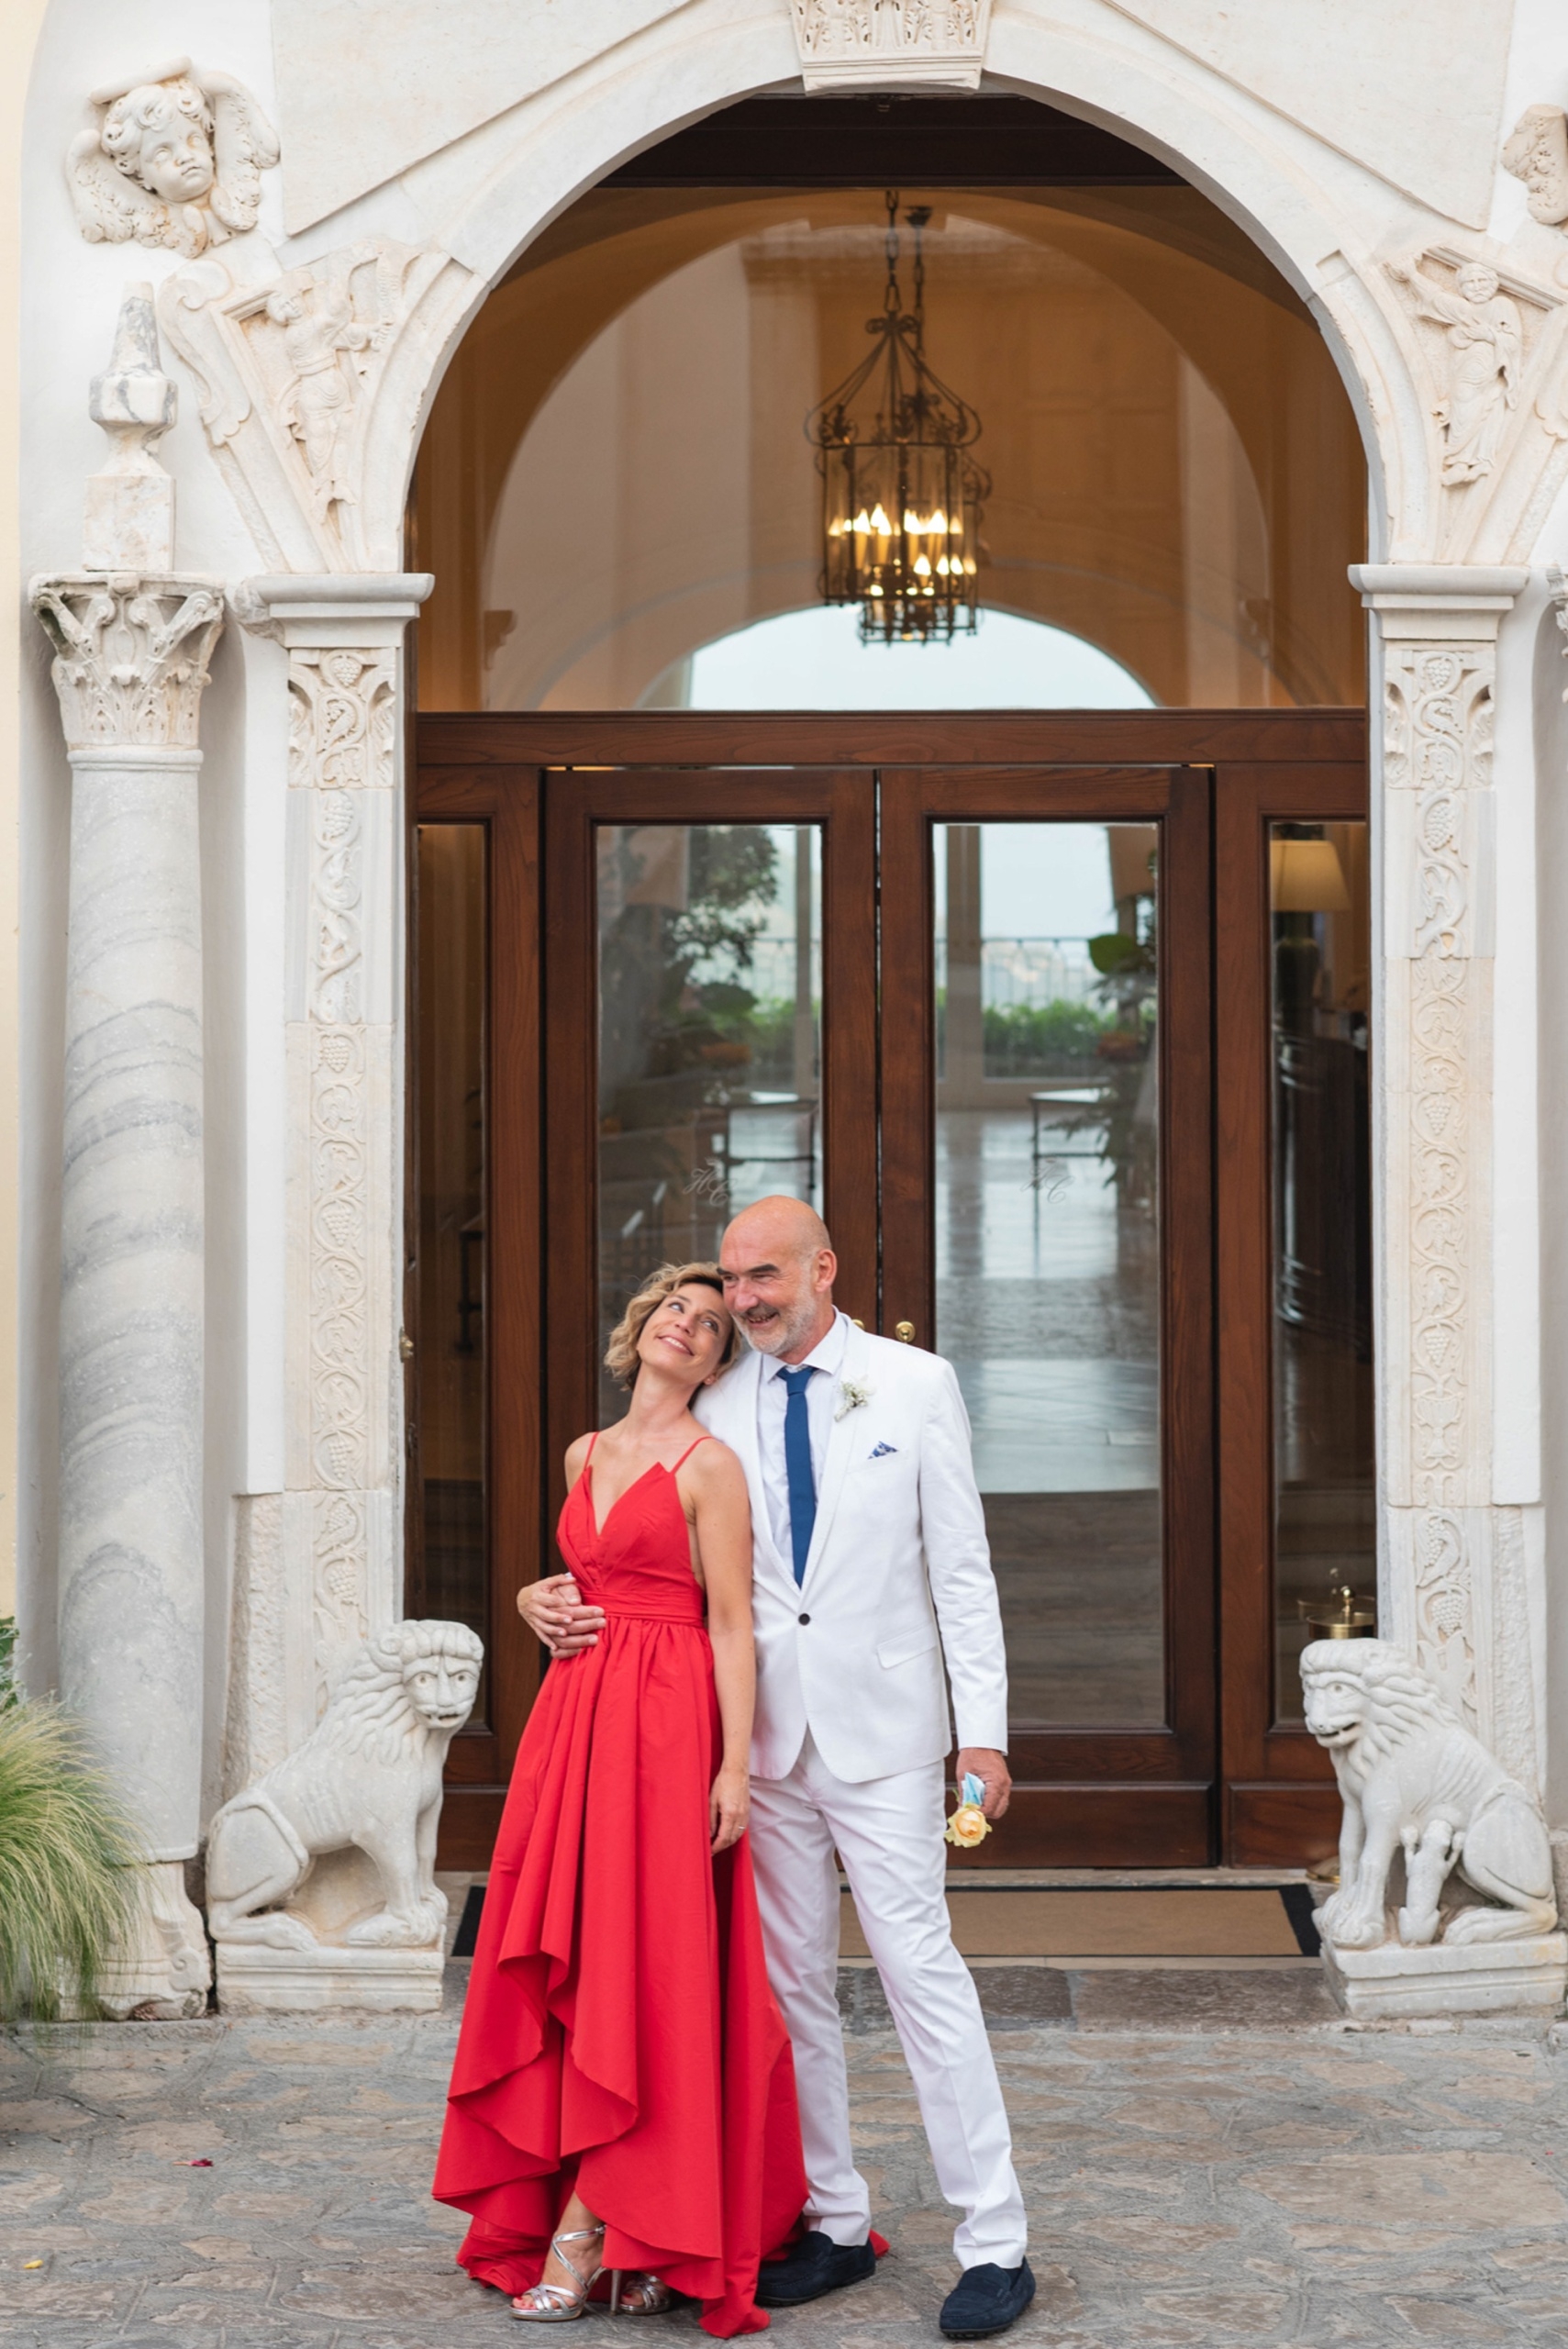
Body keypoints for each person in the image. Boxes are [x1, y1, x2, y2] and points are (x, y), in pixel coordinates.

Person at [523, 1198, 1034, 2342]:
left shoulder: (912, 1383)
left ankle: (992, 2236)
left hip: (889, 1734)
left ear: (821, 1269)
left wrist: (982, 1733)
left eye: (763, 1277)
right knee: (791, 1985)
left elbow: (961, 1570)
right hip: (752, 1742)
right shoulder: (717, 1390)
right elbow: (649, 1543)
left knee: (918, 1972)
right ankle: (835, 2219)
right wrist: (538, 1595)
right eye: (732, 1280)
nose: (743, 1298)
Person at [434, 1263, 806, 2335]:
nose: (685, 1327)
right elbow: (577, 1583)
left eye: (707, 1324)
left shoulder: (710, 1465)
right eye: (671, 1311)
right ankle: (624, 2233)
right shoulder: (581, 1453)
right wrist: (527, 1596)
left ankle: (594, 2232)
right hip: (575, 1725)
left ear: (718, 1361)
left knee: (646, 1973)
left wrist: (733, 1768)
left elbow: (731, 1624)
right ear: (640, 1327)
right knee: (579, 1958)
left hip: (664, 1725)